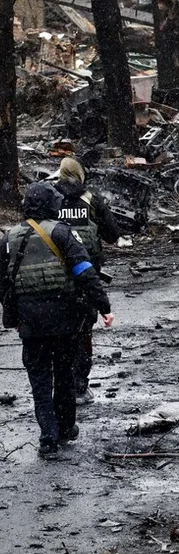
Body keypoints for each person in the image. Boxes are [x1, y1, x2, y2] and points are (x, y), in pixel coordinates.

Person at [0, 182, 112, 459]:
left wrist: (12, 316)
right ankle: (65, 427)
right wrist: (103, 306)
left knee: (39, 381)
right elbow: (85, 271)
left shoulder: (8, 238)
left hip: (30, 323)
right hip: (64, 319)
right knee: (63, 374)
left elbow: (4, 284)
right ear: (52, 205)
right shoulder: (62, 233)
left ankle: (47, 437)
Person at [55, 157, 119, 404]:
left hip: (56, 276)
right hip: (86, 275)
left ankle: (59, 384)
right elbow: (113, 234)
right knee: (83, 331)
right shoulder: (91, 200)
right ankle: (80, 386)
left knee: (58, 330)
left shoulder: (50, 199)